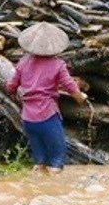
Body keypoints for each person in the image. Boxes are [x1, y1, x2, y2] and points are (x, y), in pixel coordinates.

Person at [5, 22, 88, 173]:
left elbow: (11, 87)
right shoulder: (58, 64)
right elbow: (69, 85)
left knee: (39, 161)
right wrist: (80, 97)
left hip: (28, 118)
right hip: (47, 116)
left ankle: (38, 192)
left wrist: (14, 91)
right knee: (56, 160)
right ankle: (52, 194)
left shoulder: (23, 62)